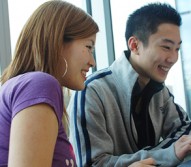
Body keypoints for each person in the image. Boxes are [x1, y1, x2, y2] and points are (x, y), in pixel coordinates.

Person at [0, 1, 154, 167]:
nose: (92, 61)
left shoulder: (22, 87)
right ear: (57, 42)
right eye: (89, 47)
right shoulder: (39, 84)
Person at [68, 2, 191, 167]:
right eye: (166, 47)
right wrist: (167, 154)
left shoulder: (159, 89)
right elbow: (92, 164)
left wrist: (166, 154)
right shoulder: (91, 91)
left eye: (177, 49)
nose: (173, 58)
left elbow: (186, 133)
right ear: (134, 45)